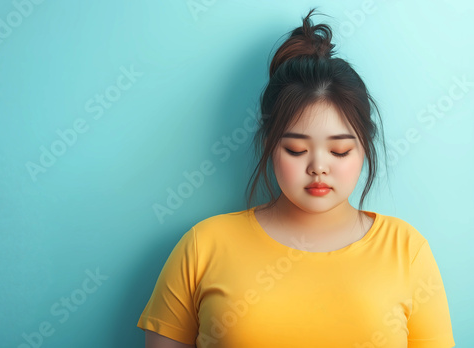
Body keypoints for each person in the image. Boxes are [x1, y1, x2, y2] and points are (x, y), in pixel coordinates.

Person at [138, 8, 455, 348]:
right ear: (269, 144)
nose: (319, 167)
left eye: (339, 151)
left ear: (363, 148)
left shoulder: (407, 251)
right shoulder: (203, 247)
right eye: (296, 149)